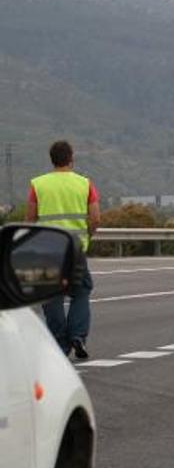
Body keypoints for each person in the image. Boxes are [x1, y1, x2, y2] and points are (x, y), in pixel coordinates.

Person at [28, 140, 99, 359]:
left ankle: (60, 344)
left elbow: (30, 219)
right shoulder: (85, 184)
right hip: (75, 250)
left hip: (47, 250)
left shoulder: (38, 185)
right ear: (71, 158)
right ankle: (78, 335)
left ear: (52, 160)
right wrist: (88, 235)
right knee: (81, 290)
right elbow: (95, 218)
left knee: (51, 296)